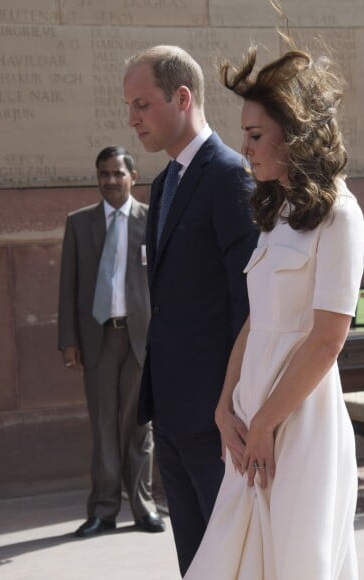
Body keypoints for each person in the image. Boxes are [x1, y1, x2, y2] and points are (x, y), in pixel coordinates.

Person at [184, 41, 364, 580]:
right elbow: (255, 320)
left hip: (299, 423)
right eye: (244, 134)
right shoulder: (280, 212)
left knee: (294, 563)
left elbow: (327, 341)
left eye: (256, 135)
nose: (245, 148)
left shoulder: (341, 216)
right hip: (250, 422)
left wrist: (266, 422)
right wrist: (226, 407)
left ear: (295, 134)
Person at [123, 46, 258, 574]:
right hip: (173, 414)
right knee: (195, 563)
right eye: (129, 107)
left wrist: (232, 407)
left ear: (182, 97)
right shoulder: (161, 185)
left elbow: (247, 304)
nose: (132, 119)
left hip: (218, 420)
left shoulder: (228, 176)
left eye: (142, 104)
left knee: (231, 561)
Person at [58, 146, 165, 538]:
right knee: (104, 426)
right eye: (103, 174)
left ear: (132, 177)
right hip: (98, 339)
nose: (109, 181)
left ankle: (143, 507)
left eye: (117, 173)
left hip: (141, 339)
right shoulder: (79, 224)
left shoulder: (152, 222)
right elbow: (67, 285)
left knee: (140, 426)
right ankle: (103, 510)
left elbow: (166, 284)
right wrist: (68, 340)